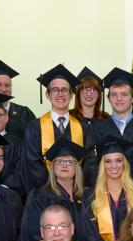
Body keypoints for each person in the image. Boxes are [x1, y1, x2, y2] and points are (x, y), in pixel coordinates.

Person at [84, 67, 133, 197]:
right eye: (114, 94)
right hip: (105, 197)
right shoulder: (97, 129)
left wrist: (132, 191)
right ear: (108, 99)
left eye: (124, 94)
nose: (119, 99)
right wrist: (110, 191)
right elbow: (91, 165)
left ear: (132, 98)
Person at [21, 64, 83, 192]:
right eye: (55, 90)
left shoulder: (82, 127)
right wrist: (50, 191)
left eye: (65, 90)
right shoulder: (34, 127)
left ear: (71, 95)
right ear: (48, 95)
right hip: (44, 195)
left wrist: (75, 190)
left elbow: (87, 164)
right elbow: (31, 164)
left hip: (75, 194)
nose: (60, 94)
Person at [78, 135, 133, 241]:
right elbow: (89, 234)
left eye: (118, 160)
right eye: (108, 161)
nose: (114, 166)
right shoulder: (90, 197)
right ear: (102, 165)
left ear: (124, 163)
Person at [19, 137, 87, 241]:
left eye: (70, 162)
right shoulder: (39, 196)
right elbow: (32, 232)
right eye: (59, 161)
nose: (64, 165)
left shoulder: (89, 195)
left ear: (77, 168)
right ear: (53, 167)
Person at [70, 66, 110, 137]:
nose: (89, 93)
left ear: (98, 94)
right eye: (85, 89)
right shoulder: (69, 117)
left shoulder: (106, 118)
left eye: (93, 90)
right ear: (78, 93)